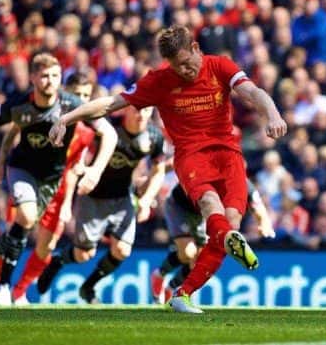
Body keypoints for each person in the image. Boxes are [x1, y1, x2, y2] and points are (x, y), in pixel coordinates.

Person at [48, 25, 287, 313]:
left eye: (188, 62)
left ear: (196, 48)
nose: (185, 70)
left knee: (231, 225)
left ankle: (182, 294)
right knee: (211, 205)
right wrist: (67, 118)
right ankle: (221, 246)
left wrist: (273, 114)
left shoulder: (220, 66)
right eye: (178, 66)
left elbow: (252, 92)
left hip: (228, 154)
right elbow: (112, 103)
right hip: (191, 157)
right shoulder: (159, 81)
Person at [0, 53, 118, 306]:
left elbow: (107, 136)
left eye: (54, 75)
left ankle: (6, 275)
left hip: (54, 182)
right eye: (44, 75)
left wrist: (93, 171)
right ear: (33, 78)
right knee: (24, 218)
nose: (49, 81)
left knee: (41, 244)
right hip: (23, 170)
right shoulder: (21, 105)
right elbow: (7, 129)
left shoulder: (77, 116)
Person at [0, 72, 99, 305]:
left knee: (47, 247)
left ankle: (19, 292)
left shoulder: (86, 132)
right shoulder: (43, 113)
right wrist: (1, 161)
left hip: (60, 191)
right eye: (78, 94)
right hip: (31, 180)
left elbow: (75, 169)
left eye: (87, 95)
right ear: (66, 92)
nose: (83, 101)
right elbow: (14, 132)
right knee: (16, 232)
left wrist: (67, 204)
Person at [36, 104, 166, 303]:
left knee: (122, 250)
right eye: (137, 109)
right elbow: (81, 149)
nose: (141, 115)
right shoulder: (108, 129)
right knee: (84, 254)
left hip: (123, 198)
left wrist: (147, 199)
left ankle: (89, 287)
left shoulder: (154, 137)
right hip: (93, 196)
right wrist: (82, 167)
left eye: (147, 111)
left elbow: (159, 170)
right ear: (126, 110)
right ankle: (57, 261)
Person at [150, 178, 276, 304]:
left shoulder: (242, 183)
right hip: (180, 207)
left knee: (199, 259)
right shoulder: (205, 172)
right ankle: (159, 274)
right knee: (188, 253)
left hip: (201, 215)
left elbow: (257, 204)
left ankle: (171, 288)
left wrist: (263, 222)